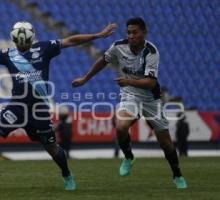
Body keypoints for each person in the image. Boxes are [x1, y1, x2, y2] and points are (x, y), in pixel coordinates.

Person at [0, 21, 117, 191]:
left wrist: (97, 35)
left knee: (52, 148)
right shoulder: (7, 54)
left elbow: (70, 41)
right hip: (16, 108)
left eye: (25, 41)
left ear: (31, 38)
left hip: (39, 111)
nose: (22, 44)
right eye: (20, 42)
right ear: (15, 40)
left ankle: (67, 175)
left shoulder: (44, 48)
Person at [72, 17, 187, 189]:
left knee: (166, 143)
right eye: (129, 32)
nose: (131, 36)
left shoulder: (151, 51)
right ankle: (128, 156)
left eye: (135, 32)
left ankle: (177, 175)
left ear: (144, 33)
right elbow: (103, 61)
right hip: (129, 95)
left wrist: (128, 81)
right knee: (121, 127)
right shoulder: (119, 47)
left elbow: (151, 82)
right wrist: (85, 78)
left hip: (150, 99)